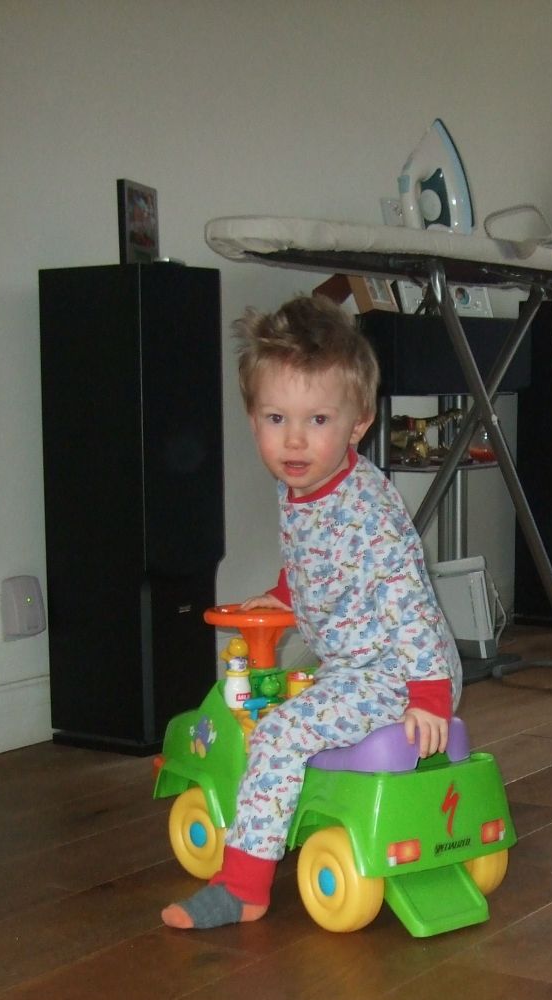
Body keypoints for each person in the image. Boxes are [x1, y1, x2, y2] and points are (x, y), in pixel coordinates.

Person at [161, 294, 462, 930]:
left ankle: (243, 887)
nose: (294, 439)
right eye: (277, 418)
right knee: (293, 698)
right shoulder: (301, 481)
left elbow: (410, 604)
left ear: (357, 424)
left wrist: (430, 695)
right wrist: (287, 592)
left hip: (398, 672)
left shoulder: (367, 512)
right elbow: (311, 551)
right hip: (354, 665)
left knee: (279, 731)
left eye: (318, 419)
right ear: (253, 420)